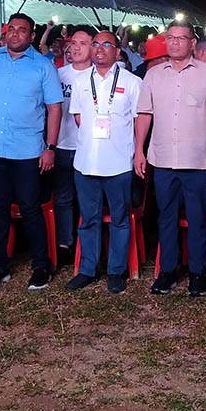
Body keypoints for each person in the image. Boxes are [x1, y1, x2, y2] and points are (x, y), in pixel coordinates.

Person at [0, 13, 63, 290]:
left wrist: (50, 147)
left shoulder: (43, 66)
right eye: (11, 30)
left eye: (22, 30)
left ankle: (41, 266)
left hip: (28, 150)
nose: (15, 34)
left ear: (31, 36)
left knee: (31, 208)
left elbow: (55, 107)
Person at [134, 20, 206, 298]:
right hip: (162, 159)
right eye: (171, 38)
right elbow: (144, 114)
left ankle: (198, 273)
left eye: (182, 38)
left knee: (198, 218)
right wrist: (139, 149)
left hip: (198, 160)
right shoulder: (153, 75)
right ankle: (168, 271)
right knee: (165, 217)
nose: (175, 42)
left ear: (192, 43)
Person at [65, 31, 143, 293]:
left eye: (106, 44)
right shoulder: (80, 81)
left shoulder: (132, 82)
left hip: (119, 162)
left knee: (120, 219)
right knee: (89, 219)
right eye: (95, 44)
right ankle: (88, 269)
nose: (99, 49)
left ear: (117, 51)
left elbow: (137, 122)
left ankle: (116, 271)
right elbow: (78, 118)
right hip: (86, 161)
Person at [55, 28, 95, 264]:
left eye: (83, 43)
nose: (76, 47)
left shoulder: (100, 76)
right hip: (62, 144)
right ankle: (65, 243)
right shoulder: (58, 75)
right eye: (73, 43)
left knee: (88, 199)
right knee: (63, 198)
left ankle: (88, 243)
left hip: (89, 147)